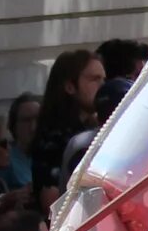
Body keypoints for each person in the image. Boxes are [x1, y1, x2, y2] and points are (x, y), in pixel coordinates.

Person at [27, 49, 106, 189]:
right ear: (70, 87)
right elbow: (51, 199)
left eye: (103, 79)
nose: (103, 86)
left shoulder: (97, 128)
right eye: (94, 79)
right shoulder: (54, 139)